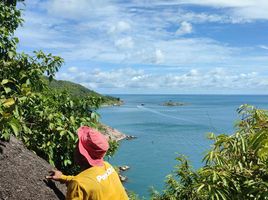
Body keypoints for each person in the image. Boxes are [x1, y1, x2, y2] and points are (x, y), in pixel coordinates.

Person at [46, 126, 129, 200]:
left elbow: (83, 184)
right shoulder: (107, 167)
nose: (74, 149)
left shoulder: (79, 184)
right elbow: (90, 182)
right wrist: (63, 177)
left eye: (77, 147)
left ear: (83, 155)